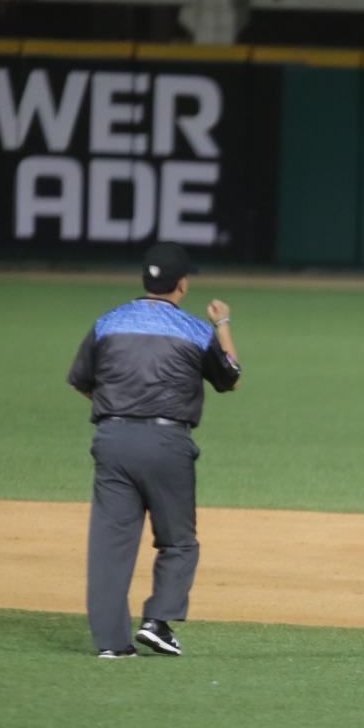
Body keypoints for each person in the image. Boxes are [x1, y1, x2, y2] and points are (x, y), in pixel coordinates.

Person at [67, 242, 243, 658]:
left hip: (112, 440)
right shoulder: (195, 330)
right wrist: (224, 324)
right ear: (181, 285)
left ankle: (111, 645)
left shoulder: (109, 322)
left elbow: (81, 379)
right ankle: (157, 621)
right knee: (178, 541)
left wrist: (119, 409)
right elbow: (231, 378)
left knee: (110, 548)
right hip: (166, 443)